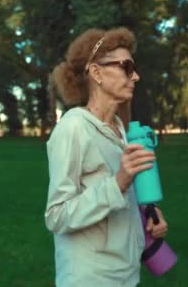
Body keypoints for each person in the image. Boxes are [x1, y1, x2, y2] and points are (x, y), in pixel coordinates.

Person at [45, 27, 168, 286]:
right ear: (97, 73)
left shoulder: (119, 128)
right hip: (90, 278)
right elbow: (56, 216)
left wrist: (148, 212)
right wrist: (118, 183)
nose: (136, 76)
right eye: (126, 66)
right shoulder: (73, 127)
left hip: (126, 273)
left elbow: (117, 196)